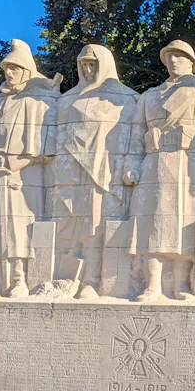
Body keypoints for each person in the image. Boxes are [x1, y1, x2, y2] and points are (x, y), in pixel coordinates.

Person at [126, 40, 195, 301]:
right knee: (151, 224)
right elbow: (137, 133)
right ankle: (153, 285)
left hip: (189, 162)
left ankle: (181, 284)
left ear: (192, 62)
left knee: (186, 225)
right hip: (154, 163)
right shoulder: (149, 96)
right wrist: (132, 164)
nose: (173, 61)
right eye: (169, 56)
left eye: (179, 57)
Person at [0, 39, 60, 297]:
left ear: (27, 72)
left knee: (19, 226)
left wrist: (19, 162)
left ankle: (19, 278)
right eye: (6, 69)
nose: (9, 73)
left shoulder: (36, 102)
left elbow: (45, 146)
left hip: (23, 174)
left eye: (15, 69)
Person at [52, 44, 138, 299]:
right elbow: (57, 137)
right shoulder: (67, 99)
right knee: (71, 224)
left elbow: (131, 137)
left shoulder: (125, 98)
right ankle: (66, 277)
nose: (88, 70)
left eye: (93, 64)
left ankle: (91, 279)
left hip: (103, 173)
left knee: (96, 225)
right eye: (83, 65)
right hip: (70, 173)